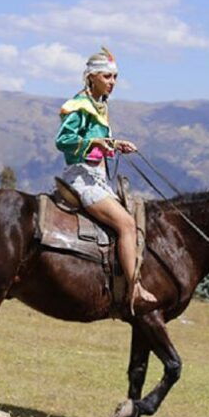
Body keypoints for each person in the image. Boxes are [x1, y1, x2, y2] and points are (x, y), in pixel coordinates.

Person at [56, 47, 158, 311]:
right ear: (91, 77)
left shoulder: (100, 106)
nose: (112, 83)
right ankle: (133, 288)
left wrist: (113, 144)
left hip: (98, 177)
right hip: (83, 178)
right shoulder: (80, 106)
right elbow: (63, 141)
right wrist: (95, 142)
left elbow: (96, 146)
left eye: (115, 78)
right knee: (126, 225)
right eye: (107, 77)